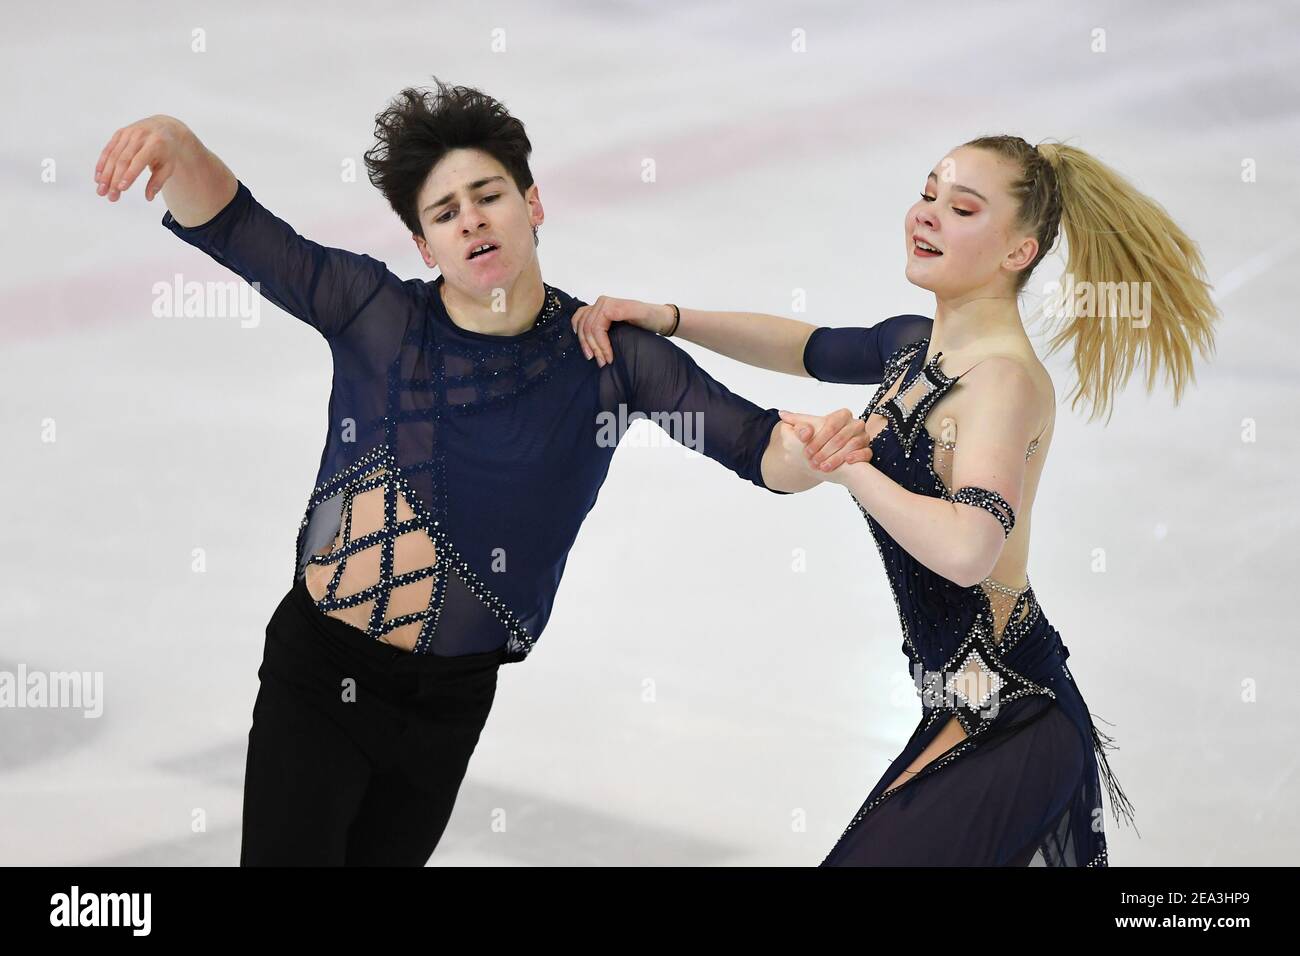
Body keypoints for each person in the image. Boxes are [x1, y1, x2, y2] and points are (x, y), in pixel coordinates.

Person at [92, 79, 870, 865]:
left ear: (533, 204)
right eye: (445, 212)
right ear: (427, 248)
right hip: (321, 677)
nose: (472, 219)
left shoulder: (608, 358)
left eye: (488, 195)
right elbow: (241, 229)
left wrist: (811, 458)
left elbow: (756, 447)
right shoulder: (376, 314)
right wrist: (179, 146)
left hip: (451, 702)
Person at [572, 135, 1220, 865]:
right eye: (929, 194)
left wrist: (851, 468)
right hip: (964, 708)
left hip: (1012, 714)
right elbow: (805, 347)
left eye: (962, 208)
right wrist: (669, 317)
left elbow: (970, 547)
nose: (929, 215)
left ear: (1018, 252)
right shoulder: (914, 348)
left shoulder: (1001, 384)